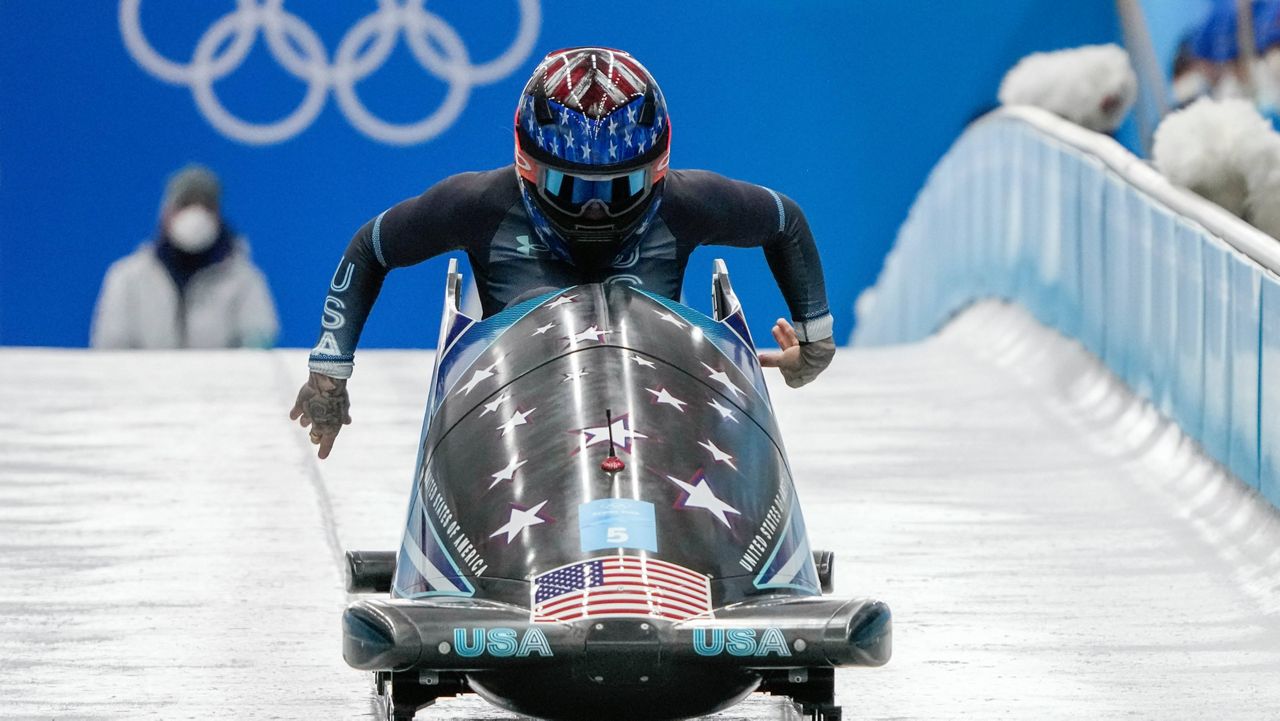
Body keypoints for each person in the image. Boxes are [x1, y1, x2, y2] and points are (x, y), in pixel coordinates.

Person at [290, 47, 836, 458]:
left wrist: (815, 342)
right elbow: (372, 248)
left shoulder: (687, 203)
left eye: (619, 188)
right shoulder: (479, 205)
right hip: (520, 435)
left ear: (656, 172)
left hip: (658, 424)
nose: (594, 212)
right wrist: (328, 371)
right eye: (571, 188)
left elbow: (785, 222)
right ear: (528, 168)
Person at [91, 164, 279, 349]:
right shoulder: (128, 277)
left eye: (206, 206)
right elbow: (111, 349)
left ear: (218, 216)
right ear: (166, 213)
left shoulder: (244, 279)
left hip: (218, 371)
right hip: (147, 371)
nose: (196, 216)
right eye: (185, 204)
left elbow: (257, 343)